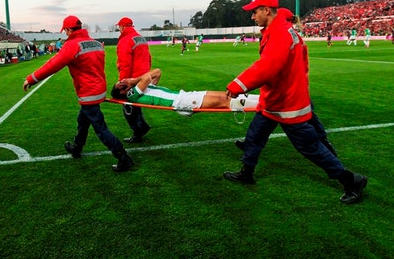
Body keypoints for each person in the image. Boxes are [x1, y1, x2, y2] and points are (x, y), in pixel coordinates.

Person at [222, 0, 367, 204]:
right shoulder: (282, 30)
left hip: (285, 103)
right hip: (277, 99)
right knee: (254, 136)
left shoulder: (280, 33)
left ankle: (352, 180)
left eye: (254, 12)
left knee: (310, 147)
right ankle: (247, 172)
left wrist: (238, 85)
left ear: (266, 10)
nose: (252, 17)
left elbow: (267, 67)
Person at [23, 15, 134, 172]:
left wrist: (31, 79)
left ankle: (123, 157)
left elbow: (53, 65)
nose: (65, 34)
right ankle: (77, 147)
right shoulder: (95, 43)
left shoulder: (72, 45)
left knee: (100, 128)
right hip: (98, 89)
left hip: (88, 92)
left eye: (65, 31)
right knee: (83, 120)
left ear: (69, 30)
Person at [111, 68, 259, 115]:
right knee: (224, 102)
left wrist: (133, 81)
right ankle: (261, 105)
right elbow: (147, 77)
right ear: (123, 92)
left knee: (225, 95)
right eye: (122, 85)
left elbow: (157, 72)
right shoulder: (132, 95)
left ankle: (260, 100)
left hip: (185, 96)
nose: (125, 83)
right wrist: (133, 81)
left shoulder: (141, 89)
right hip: (181, 102)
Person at [115, 16, 152, 143]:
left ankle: (138, 131)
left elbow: (125, 64)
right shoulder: (140, 37)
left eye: (119, 27)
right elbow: (149, 57)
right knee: (135, 104)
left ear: (122, 27)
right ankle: (142, 127)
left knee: (128, 106)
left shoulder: (125, 40)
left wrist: (122, 82)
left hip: (132, 79)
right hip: (143, 78)